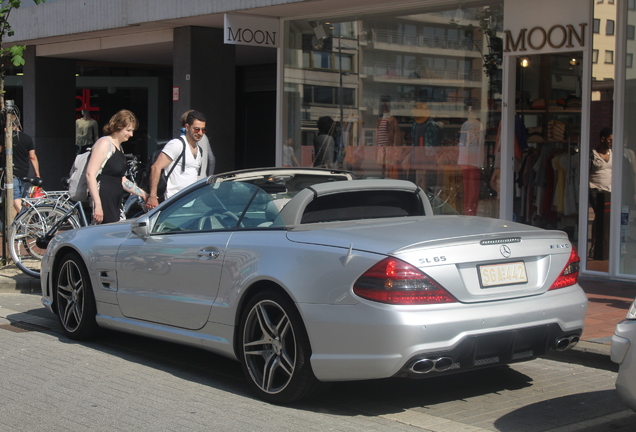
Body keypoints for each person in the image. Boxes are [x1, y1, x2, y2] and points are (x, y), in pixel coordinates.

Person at [86, 109, 147, 224]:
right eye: (128, 130)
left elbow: (122, 179)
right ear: (118, 127)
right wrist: (98, 205)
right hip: (104, 196)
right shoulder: (104, 143)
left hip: (115, 199)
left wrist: (143, 194)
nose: (131, 134)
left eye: (132, 130)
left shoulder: (119, 147)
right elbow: (90, 174)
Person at [146, 110, 205, 209]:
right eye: (196, 129)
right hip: (173, 202)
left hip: (190, 202)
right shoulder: (176, 144)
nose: (200, 133)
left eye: (203, 130)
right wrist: (152, 196)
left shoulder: (199, 150)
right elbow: (156, 167)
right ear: (187, 127)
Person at [1, 113, 40, 214]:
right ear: (18, 124)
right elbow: (32, 157)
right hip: (24, 172)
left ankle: (27, 219)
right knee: (19, 198)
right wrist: (37, 174)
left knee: (15, 198)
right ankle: (20, 226)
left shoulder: (5, 137)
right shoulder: (27, 138)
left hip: (11, 173)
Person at [589, 127, 613, 259]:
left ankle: (605, 245)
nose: (611, 142)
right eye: (610, 139)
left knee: (606, 218)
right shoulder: (592, 154)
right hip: (595, 189)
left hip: (609, 190)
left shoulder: (613, 153)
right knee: (599, 215)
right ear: (602, 139)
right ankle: (594, 246)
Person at [179, 109, 215, 179]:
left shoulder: (185, 138)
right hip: (202, 180)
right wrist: (210, 178)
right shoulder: (204, 136)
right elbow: (212, 159)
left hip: (188, 181)